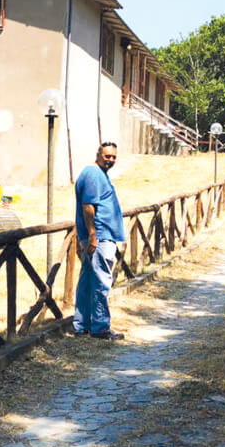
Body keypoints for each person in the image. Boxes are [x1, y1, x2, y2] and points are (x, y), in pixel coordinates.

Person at [74, 142, 126, 340]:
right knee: (101, 281)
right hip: (100, 237)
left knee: (88, 280)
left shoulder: (96, 174)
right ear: (98, 154)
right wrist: (93, 235)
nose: (110, 160)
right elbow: (88, 206)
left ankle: (82, 325)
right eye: (107, 156)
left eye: (113, 157)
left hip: (99, 236)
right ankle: (100, 327)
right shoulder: (94, 174)